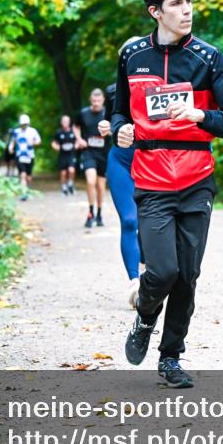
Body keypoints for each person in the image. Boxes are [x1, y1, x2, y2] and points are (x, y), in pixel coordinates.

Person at [112, 0, 223, 388]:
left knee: (187, 275)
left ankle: (170, 357)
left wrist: (200, 115)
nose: (187, 10)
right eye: (176, 4)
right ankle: (144, 316)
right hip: (151, 178)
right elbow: (119, 111)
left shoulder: (209, 59)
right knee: (162, 271)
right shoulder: (132, 55)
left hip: (196, 179)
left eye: (189, 1)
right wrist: (120, 128)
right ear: (155, 11)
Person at [97, 75, 143, 308]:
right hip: (121, 161)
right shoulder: (113, 90)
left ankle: (149, 268)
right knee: (129, 220)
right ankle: (134, 282)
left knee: (150, 222)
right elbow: (110, 121)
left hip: (151, 161)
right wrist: (105, 126)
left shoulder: (160, 84)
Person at [74, 89, 109, 228]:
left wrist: (110, 131)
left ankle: (99, 214)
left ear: (103, 100)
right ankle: (90, 213)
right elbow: (76, 126)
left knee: (100, 186)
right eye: (94, 101)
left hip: (103, 153)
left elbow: (115, 127)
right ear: (90, 100)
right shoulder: (83, 113)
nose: (96, 103)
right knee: (90, 181)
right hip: (88, 152)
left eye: (98, 101)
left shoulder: (107, 113)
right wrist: (79, 139)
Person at [8, 114, 41, 201]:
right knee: (22, 174)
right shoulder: (16, 132)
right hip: (20, 156)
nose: (24, 126)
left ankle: (27, 189)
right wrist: (11, 148)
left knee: (28, 176)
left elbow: (38, 141)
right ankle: (24, 192)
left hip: (30, 156)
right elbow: (13, 141)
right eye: (22, 124)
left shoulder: (33, 131)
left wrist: (33, 143)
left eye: (25, 124)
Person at [51, 114, 77, 196]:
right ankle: (64, 187)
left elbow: (78, 140)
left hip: (71, 154)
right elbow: (53, 142)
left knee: (71, 170)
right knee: (63, 173)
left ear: (69, 122)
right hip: (62, 155)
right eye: (64, 121)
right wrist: (56, 147)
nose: (65, 123)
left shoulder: (73, 131)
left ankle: (70, 184)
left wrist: (76, 145)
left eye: (67, 121)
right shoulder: (58, 132)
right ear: (61, 122)